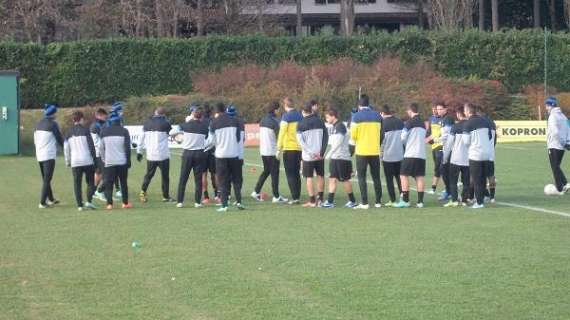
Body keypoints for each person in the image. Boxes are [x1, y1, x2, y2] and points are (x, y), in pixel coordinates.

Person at [206, 103, 244, 212]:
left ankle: (224, 205)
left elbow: (211, 141)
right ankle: (239, 202)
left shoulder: (214, 123)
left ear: (216, 112)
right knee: (236, 180)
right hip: (234, 154)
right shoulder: (235, 121)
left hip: (221, 155)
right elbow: (238, 139)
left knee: (223, 181)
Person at [350, 95, 383, 210]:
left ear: (359, 105)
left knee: (362, 177)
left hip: (361, 151)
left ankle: (364, 203)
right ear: (369, 104)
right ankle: (378, 202)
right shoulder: (377, 115)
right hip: (374, 151)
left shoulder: (356, 116)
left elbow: (353, 136)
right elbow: (382, 134)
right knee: (376, 177)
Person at [252, 101, 288, 203]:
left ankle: (256, 191)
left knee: (266, 171)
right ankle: (276, 196)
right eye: (278, 109)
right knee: (274, 174)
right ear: (275, 110)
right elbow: (279, 137)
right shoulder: (274, 121)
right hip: (272, 151)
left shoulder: (263, 120)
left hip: (263, 151)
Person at [320, 108, 357, 208]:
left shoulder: (340, 126)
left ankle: (353, 201)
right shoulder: (335, 126)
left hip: (342, 157)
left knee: (345, 179)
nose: (326, 119)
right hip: (336, 157)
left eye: (328, 117)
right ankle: (330, 202)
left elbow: (339, 141)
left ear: (333, 116)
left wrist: (330, 153)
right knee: (332, 179)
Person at [137, 107, 174, 203]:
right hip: (163, 155)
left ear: (155, 113)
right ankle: (165, 196)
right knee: (165, 176)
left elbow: (141, 138)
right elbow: (173, 135)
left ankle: (142, 192)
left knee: (148, 175)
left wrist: (139, 152)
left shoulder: (147, 123)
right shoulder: (166, 124)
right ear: (163, 114)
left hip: (151, 155)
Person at [176, 106, 210, 208]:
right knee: (198, 179)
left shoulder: (185, 125)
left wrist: (180, 138)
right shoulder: (204, 127)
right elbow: (208, 138)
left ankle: (180, 201)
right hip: (199, 153)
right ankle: (197, 202)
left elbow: (172, 132)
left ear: (193, 115)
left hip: (187, 153)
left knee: (183, 177)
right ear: (201, 117)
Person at [395, 103, 427, 208]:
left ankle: (405, 200)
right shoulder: (423, 123)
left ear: (410, 110)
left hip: (410, 153)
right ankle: (420, 202)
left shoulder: (409, 122)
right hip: (421, 154)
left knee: (403, 175)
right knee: (420, 177)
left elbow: (403, 137)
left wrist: (406, 144)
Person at [296, 102, 328, 207]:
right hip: (320, 155)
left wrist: (311, 153)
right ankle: (320, 199)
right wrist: (321, 152)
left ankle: (312, 201)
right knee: (320, 175)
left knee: (309, 177)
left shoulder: (300, 124)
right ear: (311, 110)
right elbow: (325, 137)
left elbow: (301, 142)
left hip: (308, 156)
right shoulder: (320, 121)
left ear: (303, 112)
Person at [64, 111, 97, 211]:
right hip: (87, 160)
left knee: (77, 183)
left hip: (75, 162)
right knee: (91, 182)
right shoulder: (86, 130)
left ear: (73, 120)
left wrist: (67, 161)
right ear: (81, 119)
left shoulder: (68, 132)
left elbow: (66, 148)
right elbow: (91, 146)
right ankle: (89, 201)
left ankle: (79, 205)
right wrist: (94, 158)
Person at [462, 103, 492, 209]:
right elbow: (489, 136)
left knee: (476, 179)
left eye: (464, 110)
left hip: (475, 154)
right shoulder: (485, 121)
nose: (464, 112)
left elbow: (466, 142)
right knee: (483, 178)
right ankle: (482, 198)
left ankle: (479, 202)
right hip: (486, 153)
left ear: (469, 111)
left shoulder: (467, 124)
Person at [99, 112, 132, 210]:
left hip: (109, 162)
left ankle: (109, 204)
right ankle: (125, 203)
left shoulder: (103, 131)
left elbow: (101, 148)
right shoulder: (124, 131)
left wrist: (104, 159)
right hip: (122, 162)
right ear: (119, 122)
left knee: (109, 183)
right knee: (123, 183)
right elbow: (127, 148)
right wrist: (128, 160)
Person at [34, 103, 64, 209]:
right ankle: (42, 203)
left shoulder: (38, 123)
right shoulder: (53, 124)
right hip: (48, 155)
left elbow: (35, 139)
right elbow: (59, 138)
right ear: (53, 113)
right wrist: (66, 148)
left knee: (45, 178)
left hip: (39, 154)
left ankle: (51, 199)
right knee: (47, 178)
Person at [442, 107, 471, 207]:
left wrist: (445, 157)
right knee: (466, 181)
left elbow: (449, 143)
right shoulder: (471, 126)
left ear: (459, 114)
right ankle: (464, 200)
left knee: (453, 181)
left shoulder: (455, 126)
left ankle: (454, 200)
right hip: (468, 159)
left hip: (456, 158)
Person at [276, 97, 303, 205]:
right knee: (297, 173)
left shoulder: (286, 117)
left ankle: (295, 197)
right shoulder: (300, 116)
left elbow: (282, 133)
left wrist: (278, 148)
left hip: (289, 148)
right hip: (299, 148)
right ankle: (298, 196)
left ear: (285, 105)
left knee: (290, 174)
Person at [379, 105, 404, 207]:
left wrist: (380, 154)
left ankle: (392, 200)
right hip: (400, 155)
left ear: (382, 113)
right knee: (400, 178)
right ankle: (403, 197)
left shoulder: (383, 123)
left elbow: (381, 141)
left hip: (388, 156)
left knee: (389, 179)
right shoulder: (400, 122)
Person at [545, 96, 570, 194]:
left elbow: (555, 132)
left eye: (547, 106)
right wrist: (567, 142)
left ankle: (562, 186)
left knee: (555, 167)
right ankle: (563, 186)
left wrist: (561, 142)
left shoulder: (552, 116)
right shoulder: (563, 116)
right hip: (562, 146)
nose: (546, 108)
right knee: (557, 166)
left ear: (551, 105)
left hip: (554, 145)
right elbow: (568, 130)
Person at [226, 105, 245, 206]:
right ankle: (238, 197)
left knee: (227, 176)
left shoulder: (227, 122)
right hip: (239, 154)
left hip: (229, 153)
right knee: (238, 177)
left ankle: (228, 196)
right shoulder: (241, 122)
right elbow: (243, 139)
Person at [201, 103, 219, 204]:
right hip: (213, 151)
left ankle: (206, 197)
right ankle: (217, 195)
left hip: (203, 151)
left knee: (203, 174)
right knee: (215, 174)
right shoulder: (214, 121)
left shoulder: (200, 121)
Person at [90, 108, 108, 201]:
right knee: (105, 174)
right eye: (104, 116)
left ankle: (93, 192)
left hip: (99, 153)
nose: (106, 118)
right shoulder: (96, 126)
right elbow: (101, 139)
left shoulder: (100, 124)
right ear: (98, 115)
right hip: (99, 154)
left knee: (98, 173)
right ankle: (101, 193)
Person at [426, 102, 443, 195]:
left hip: (441, 145)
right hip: (434, 146)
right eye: (432, 109)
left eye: (435, 109)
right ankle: (434, 188)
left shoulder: (444, 119)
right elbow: (429, 131)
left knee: (440, 168)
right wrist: (428, 138)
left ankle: (436, 188)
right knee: (437, 168)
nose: (434, 111)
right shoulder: (431, 118)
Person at [481, 110, 497, 203]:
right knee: (491, 175)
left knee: (479, 176)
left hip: (481, 153)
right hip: (490, 154)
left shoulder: (479, 123)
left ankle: (484, 194)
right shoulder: (492, 122)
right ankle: (492, 197)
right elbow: (495, 140)